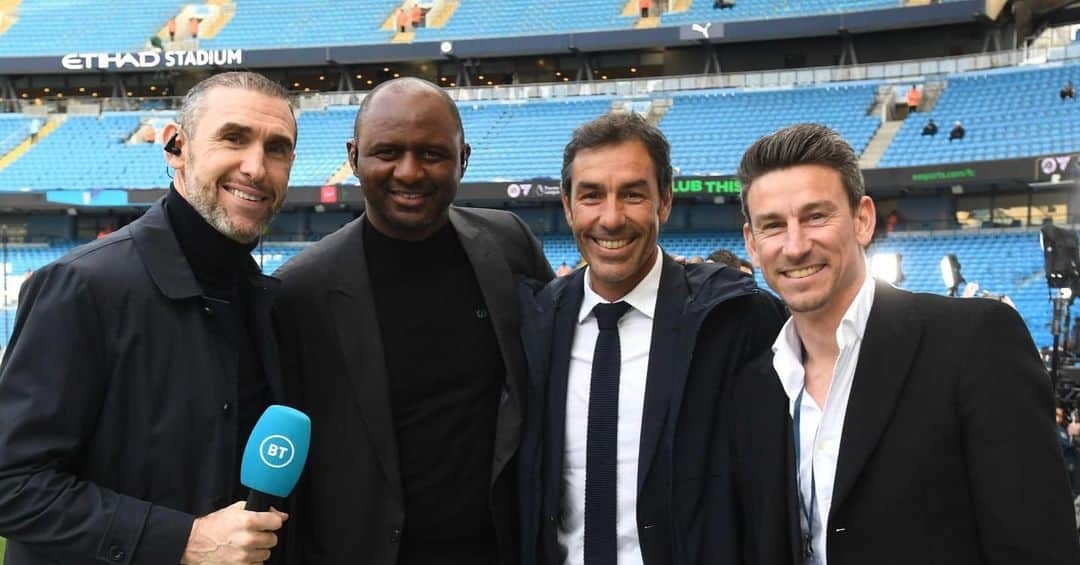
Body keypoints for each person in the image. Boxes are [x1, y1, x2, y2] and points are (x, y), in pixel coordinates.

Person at [731, 123, 1080, 564]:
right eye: (773, 225)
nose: (796, 245)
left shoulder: (975, 340)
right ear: (752, 244)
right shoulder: (754, 387)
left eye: (816, 216)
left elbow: (1037, 548)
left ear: (863, 220)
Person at [0, 71, 297, 564]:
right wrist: (185, 541)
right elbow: (11, 481)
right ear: (176, 147)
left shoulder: (264, 300)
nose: (255, 167)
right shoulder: (82, 286)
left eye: (278, 148)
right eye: (234, 138)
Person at [274, 77, 553, 565]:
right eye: (387, 152)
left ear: (463, 158)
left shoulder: (509, 243)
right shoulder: (301, 290)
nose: (409, 171)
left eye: (431, 154)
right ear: (355, 156)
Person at [517, 112, 784, 565]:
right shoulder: (536, 324)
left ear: (664, 202)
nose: (611, 218)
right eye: (591, 196)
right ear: (568, 205)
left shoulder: (735, 322)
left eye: (633, 195)